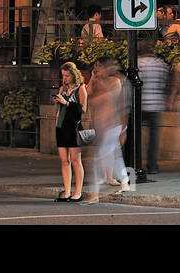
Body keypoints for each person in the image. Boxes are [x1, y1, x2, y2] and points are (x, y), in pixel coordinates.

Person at [84, 58, 128, 203]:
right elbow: (87, 95)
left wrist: (99, 82)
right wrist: (92, 79)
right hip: (101, 125)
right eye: (95, 67)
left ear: (107, 69)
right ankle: (125, 182)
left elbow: (106, 98)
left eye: (99, 67)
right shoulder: (96, 82)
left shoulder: (115, 82)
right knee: (116, 156)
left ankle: (95, 193)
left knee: (99, 159)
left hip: (112, 125)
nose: (97, 70)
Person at [53, 62, 88, 202]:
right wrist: (57, 102)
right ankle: (67, 191)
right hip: (60, 125)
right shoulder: (62, 88)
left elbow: (83, 109)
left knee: (75, 160)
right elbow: (57, 111)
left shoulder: (81, 89)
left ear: (74, 75)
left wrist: (67, 103)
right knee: (64, 160)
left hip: (73, 127)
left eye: (67, 75)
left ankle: (78, 192)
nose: (65, 78)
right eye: (63, 76)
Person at [136, 41, 169, 175]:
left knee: (136, 136)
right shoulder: (161, 64)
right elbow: (164, 84)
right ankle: (153, 165)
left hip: (141, 104)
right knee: (154, 137)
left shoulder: (138, 64)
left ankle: (136, 163)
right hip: (156, 104)